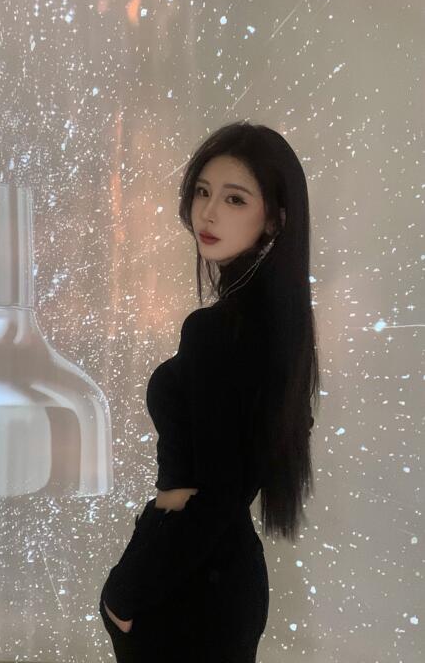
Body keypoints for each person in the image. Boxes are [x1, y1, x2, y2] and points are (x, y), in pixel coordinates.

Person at [99, 120, 320, 662]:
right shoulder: (279, 326)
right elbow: (242, 472)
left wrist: (126, 591)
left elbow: (219, 492)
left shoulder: (219, 329)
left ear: (275, 218)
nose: (209, 212)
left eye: (235, 198)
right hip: (219, 580)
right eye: (202, 192)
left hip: (190, 581)